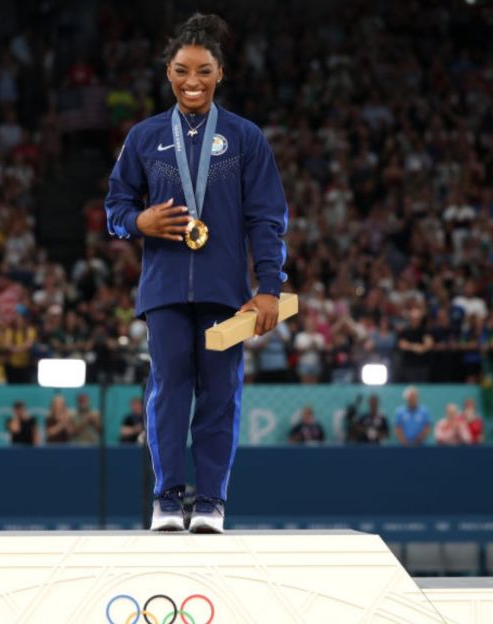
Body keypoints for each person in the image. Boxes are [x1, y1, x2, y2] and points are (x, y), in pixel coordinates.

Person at [104, 13, 288, 534]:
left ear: (220, 73)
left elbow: (267, 217)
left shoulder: (245, 137)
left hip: (225, 292)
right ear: (168, 73)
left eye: (203, 71)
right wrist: (138, 221)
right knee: (167, 390)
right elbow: (115, 207)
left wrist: (269, 287)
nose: (193, 81)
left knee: (220, 395)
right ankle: (166, 499)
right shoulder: (143, 137)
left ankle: (210, 503)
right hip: (163, 291)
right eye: (183, 70)